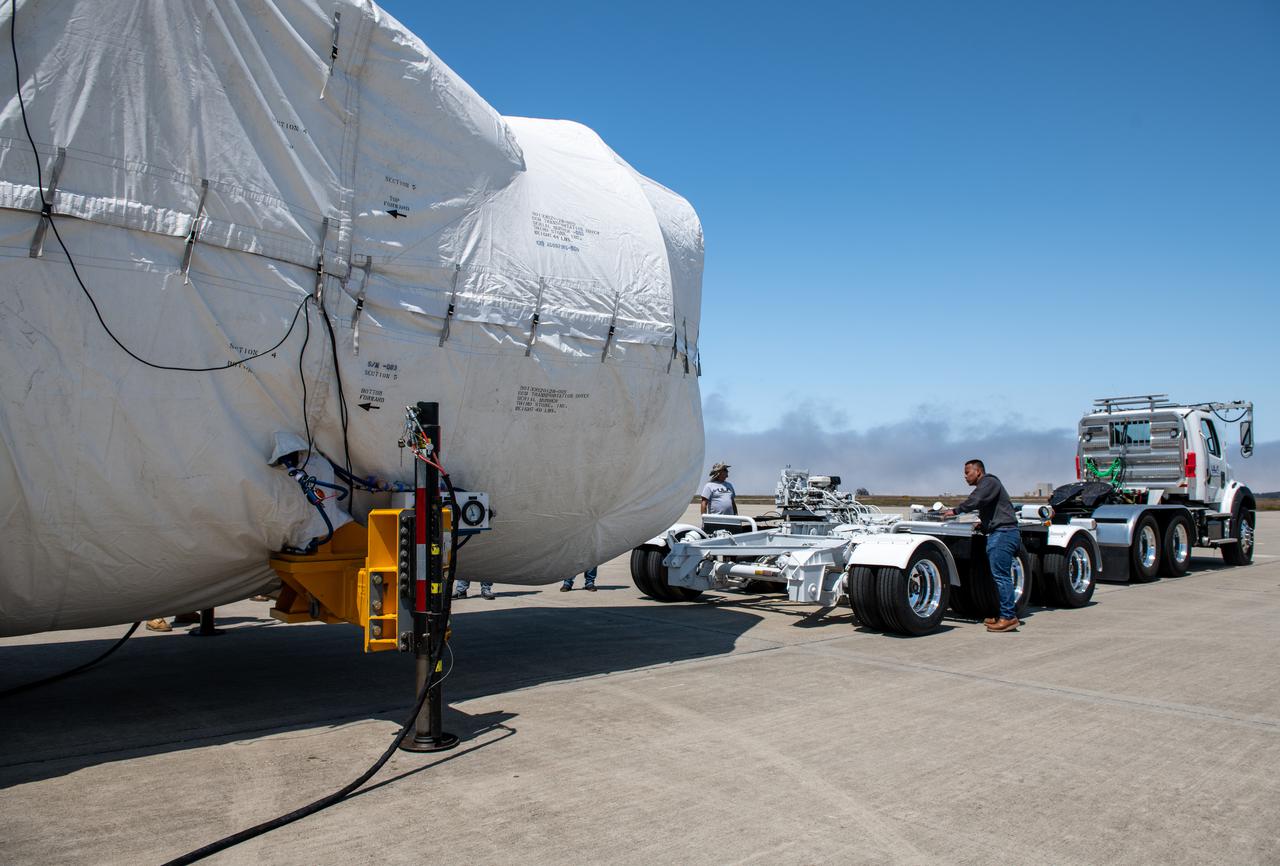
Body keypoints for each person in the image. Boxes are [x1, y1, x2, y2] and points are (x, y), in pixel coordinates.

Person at [943, 459, 1021, 632]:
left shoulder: (989, 482)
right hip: (1000, 532)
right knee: (998, 576)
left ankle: (1009, 618)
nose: (965, 476)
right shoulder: (989, 485)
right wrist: (983, 524)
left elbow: (976, 500)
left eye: (967, 472)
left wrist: (955, 511)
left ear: (978, 471)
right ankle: (1002, 614)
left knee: (1002, 577)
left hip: (1003, 534)